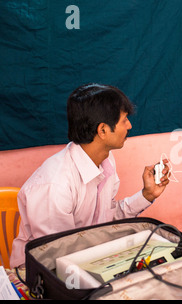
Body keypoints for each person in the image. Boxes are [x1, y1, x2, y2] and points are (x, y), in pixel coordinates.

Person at [10, 83, 170, 268]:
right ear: (102, 130)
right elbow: (56, 256)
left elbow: (107, 221)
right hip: (40, 273)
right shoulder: (55, 185)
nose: (130, 125)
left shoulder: (106, 161)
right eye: (124, 120)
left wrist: (146, 195)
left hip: (83, 259)